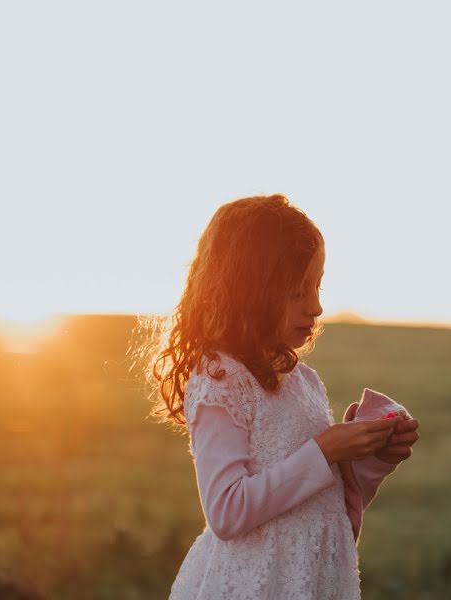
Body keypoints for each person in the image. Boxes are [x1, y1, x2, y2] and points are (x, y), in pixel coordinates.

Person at [146, 194, 420, 599]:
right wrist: (324, 450)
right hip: (256, 582)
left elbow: (325, 503)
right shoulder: (222, 379)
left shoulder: (303, 381)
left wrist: (372, 459)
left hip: (312, 580)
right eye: (297, 292)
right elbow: (227, 511)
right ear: (248, 294)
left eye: (318, 286)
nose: (316, 306)